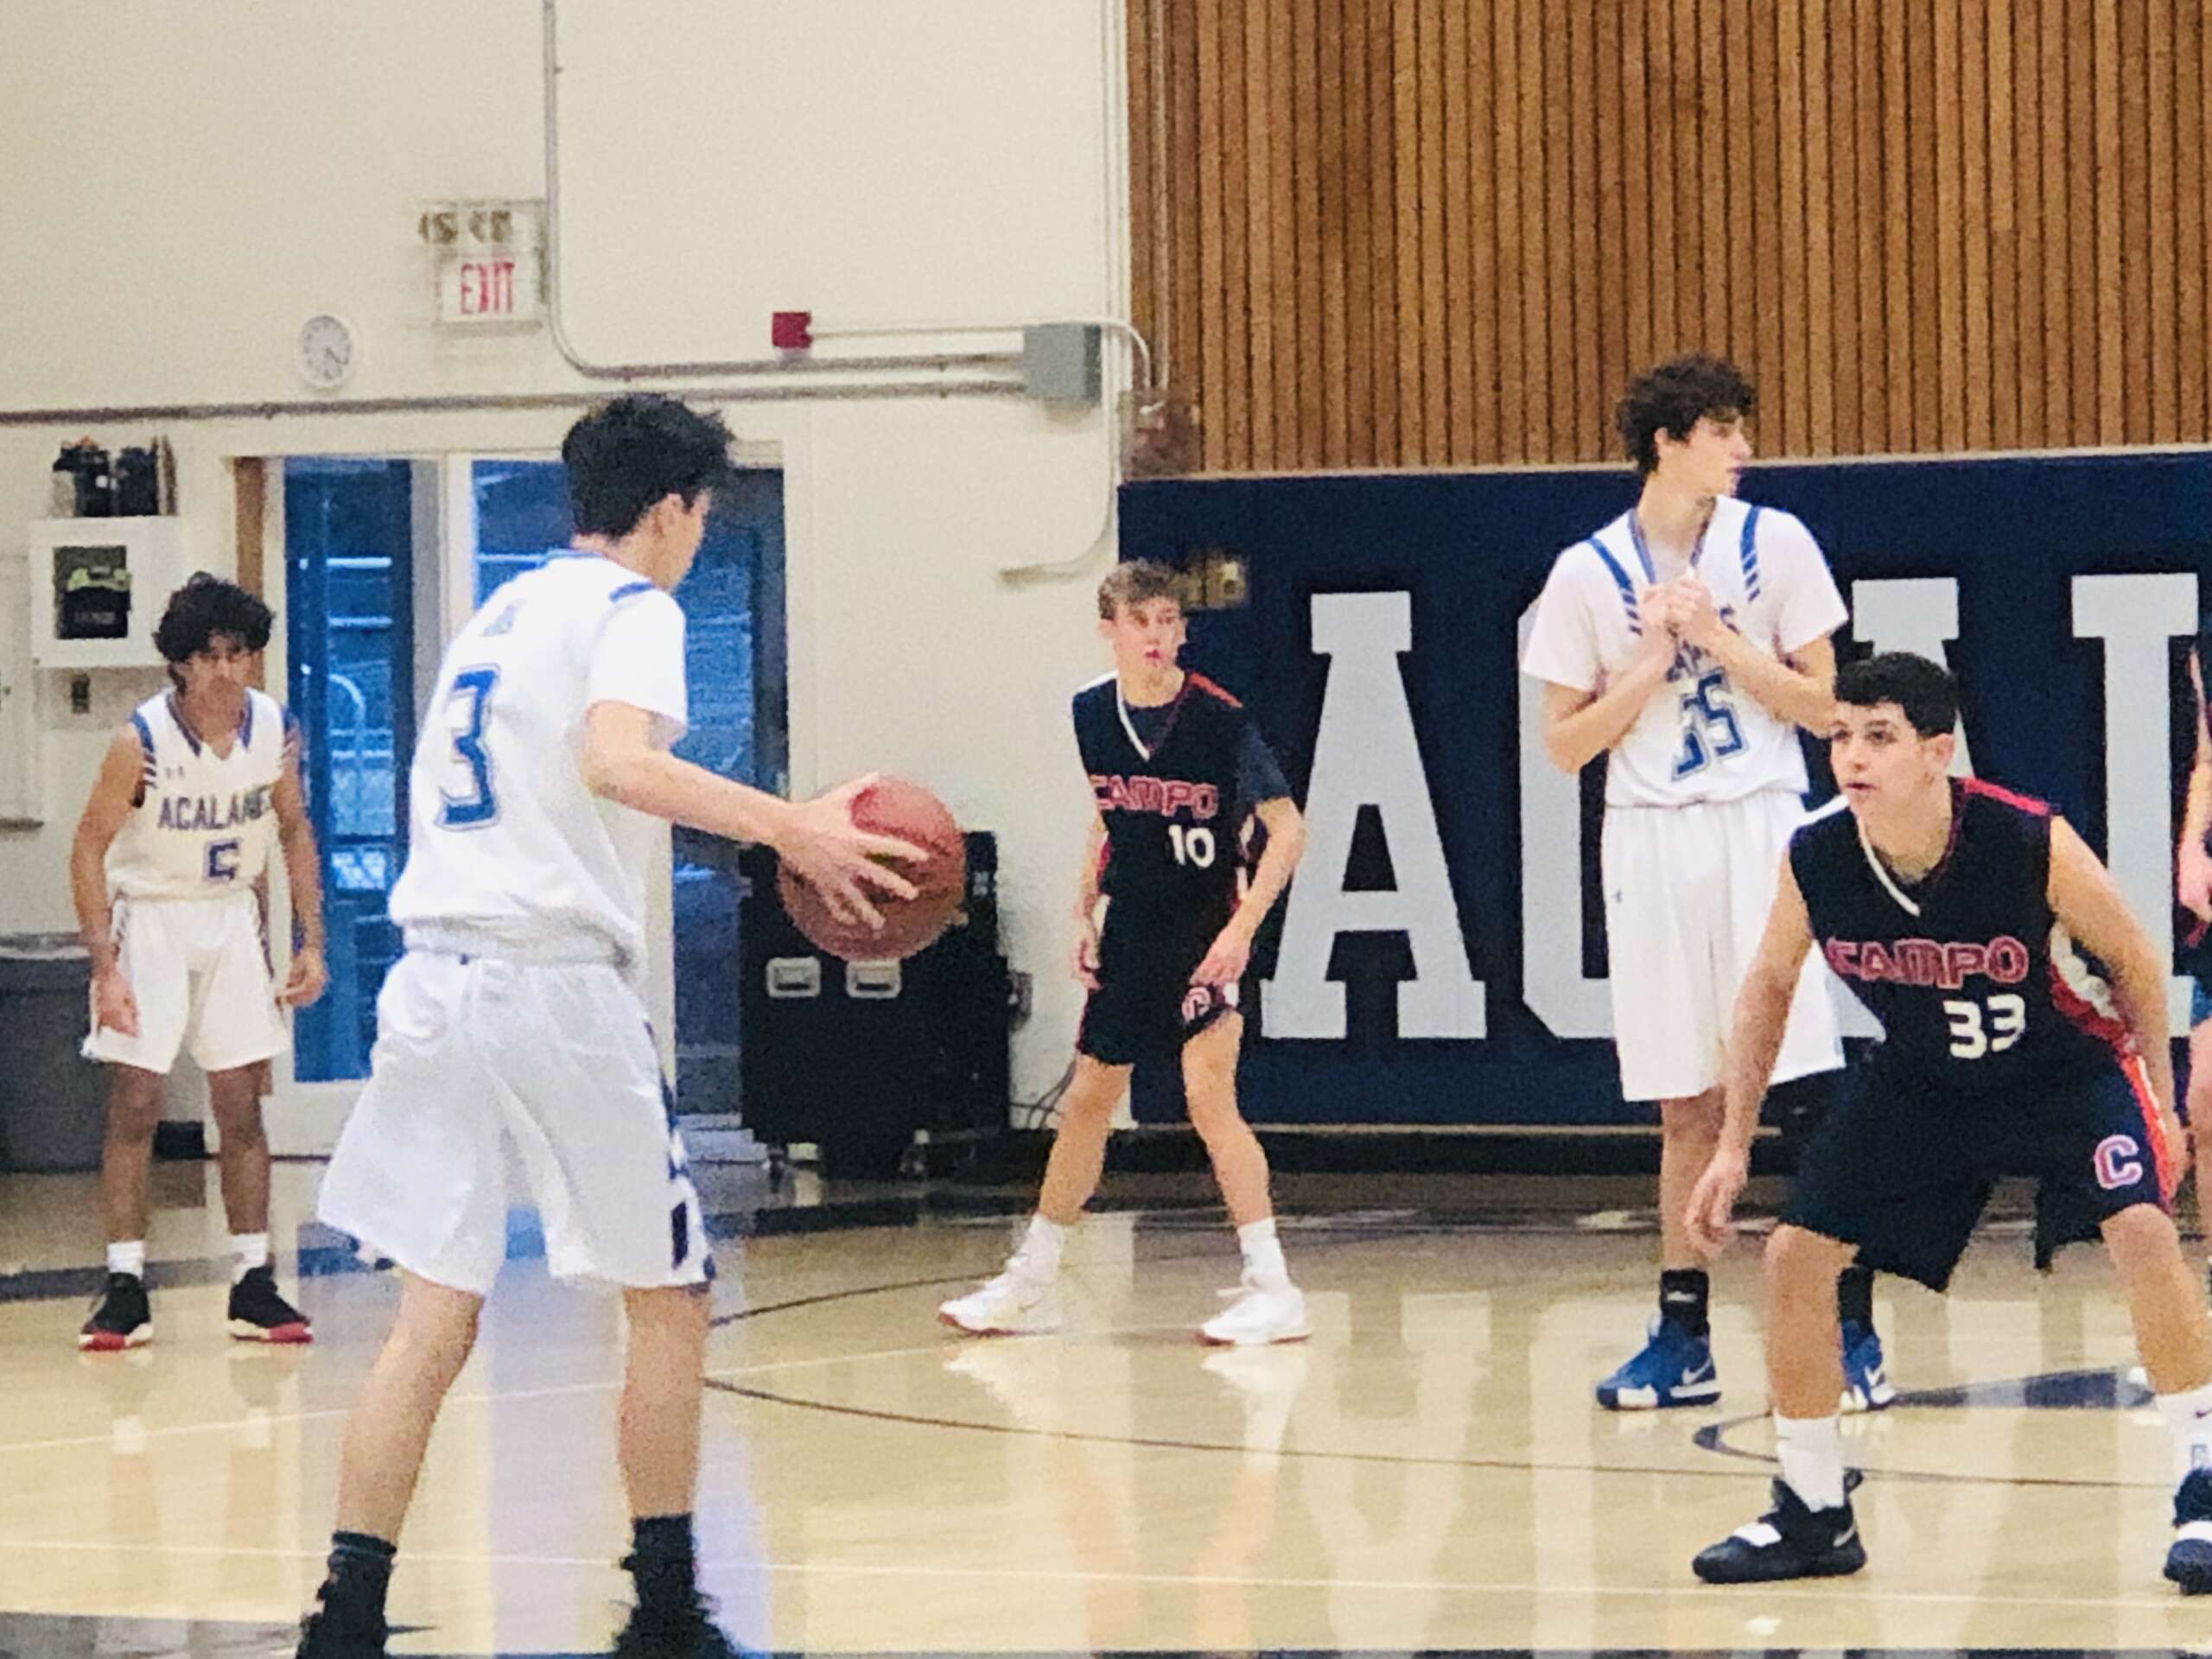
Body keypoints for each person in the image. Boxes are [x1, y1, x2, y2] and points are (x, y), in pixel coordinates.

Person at [297, 395, 921, 1659]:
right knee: (671, 1294)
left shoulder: (501, 610)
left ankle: (345, 1617)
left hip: (432, 982)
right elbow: (617, 762)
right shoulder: (636, 608)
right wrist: (791, 827)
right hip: (548, 984)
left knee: (432, 1316)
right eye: (703, 513)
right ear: (673, 509)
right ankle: (666, 1610)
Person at [1685, 652, 2212, 1592]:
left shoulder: (2024, 837)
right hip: (1925, 1078)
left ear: (1936, 751)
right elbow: (1767, 985)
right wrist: (1732, 1146)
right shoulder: (1817, 854)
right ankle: (1812, 1510)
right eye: (1840, 736)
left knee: (2140, 1228)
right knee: (1794, 1256)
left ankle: (2203, 1483)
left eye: (1878, 736)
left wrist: (2165, 1110)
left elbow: (2133, 956)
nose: (1853, 756)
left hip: (2061, 1067)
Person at [1520, 353, 1885, 1412]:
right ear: (1667, 442)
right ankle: (1682, 1335)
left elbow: (1825, 710)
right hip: (1648, 837)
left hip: (1762, 820)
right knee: (1686, 1102)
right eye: (1723, 430)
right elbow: (1563, 747)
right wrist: (1647, 662)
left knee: (1807, 1089)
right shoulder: (1585, 572)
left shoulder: (1776, 542)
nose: (1743, 448)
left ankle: (1850, 1327)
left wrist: (1716, 637)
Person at [938, 559, 1309, 1345]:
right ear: (1108, 629)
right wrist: (1082, 909)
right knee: (1085, 1103)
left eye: (1169, 620)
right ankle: (1030, 1279)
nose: (1157, 636)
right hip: (1134, 926)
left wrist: (1241, 932)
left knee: (1209, 1099)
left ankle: (1274, 1286)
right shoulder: (1090, 713)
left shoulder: (1219, 719)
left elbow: (1288, 830)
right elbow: (1108, 815)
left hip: (1205, 929)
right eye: (1141, 621)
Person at [70, 573, 327, 1351]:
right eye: (208, 656)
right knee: (136, 1103)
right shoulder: (140, 741)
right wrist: (104, 966)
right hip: (151, 917)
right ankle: (124, 1283)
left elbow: (293, 830)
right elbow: (87, 847)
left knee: (241, 1103)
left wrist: (310, 940)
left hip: (229, 914)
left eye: (237, 653)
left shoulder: (274, 729)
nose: (224, 670)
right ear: (180, 662)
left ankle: (253, 1279)